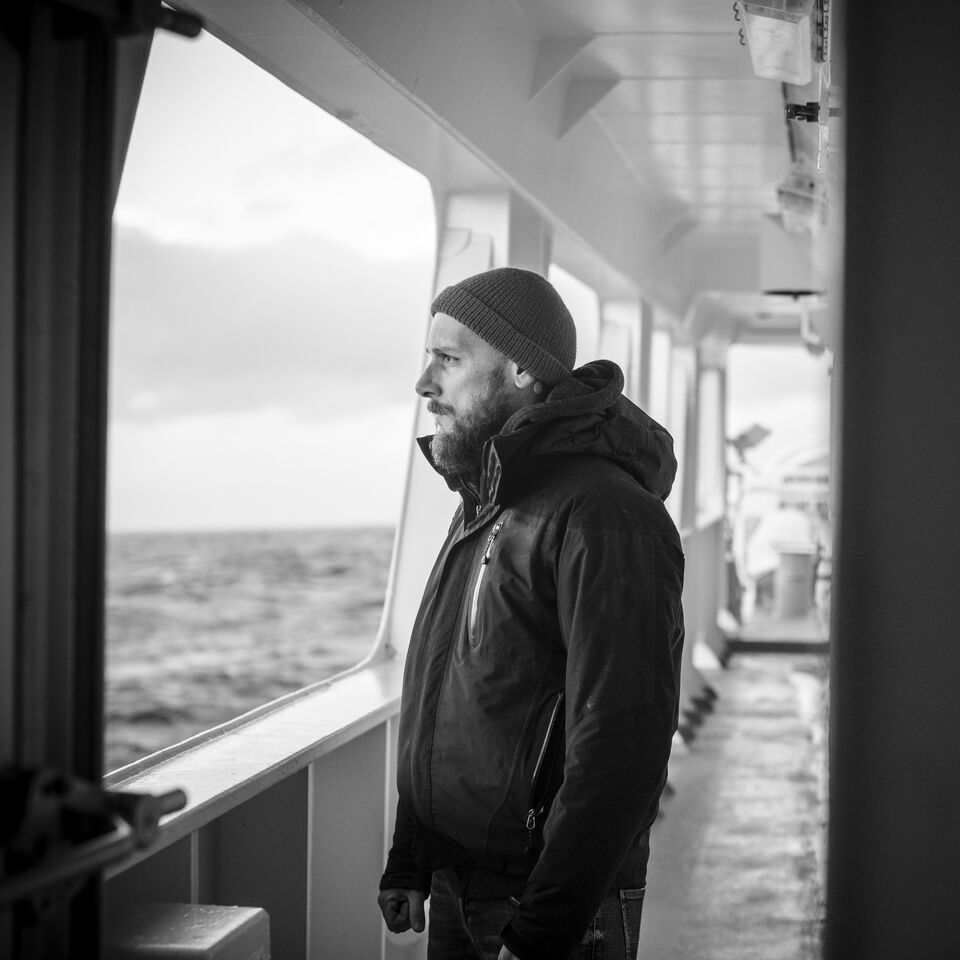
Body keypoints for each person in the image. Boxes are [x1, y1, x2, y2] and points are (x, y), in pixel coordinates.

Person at [378, 267, 685, 960]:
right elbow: (449, 694)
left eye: (449, 359)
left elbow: (622, 745)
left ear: (521, 369)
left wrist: (545, 929)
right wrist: (412, 853)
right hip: (460, 883)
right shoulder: (485, 503)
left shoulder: (606, 517)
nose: (425, 383)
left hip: (545, 906)